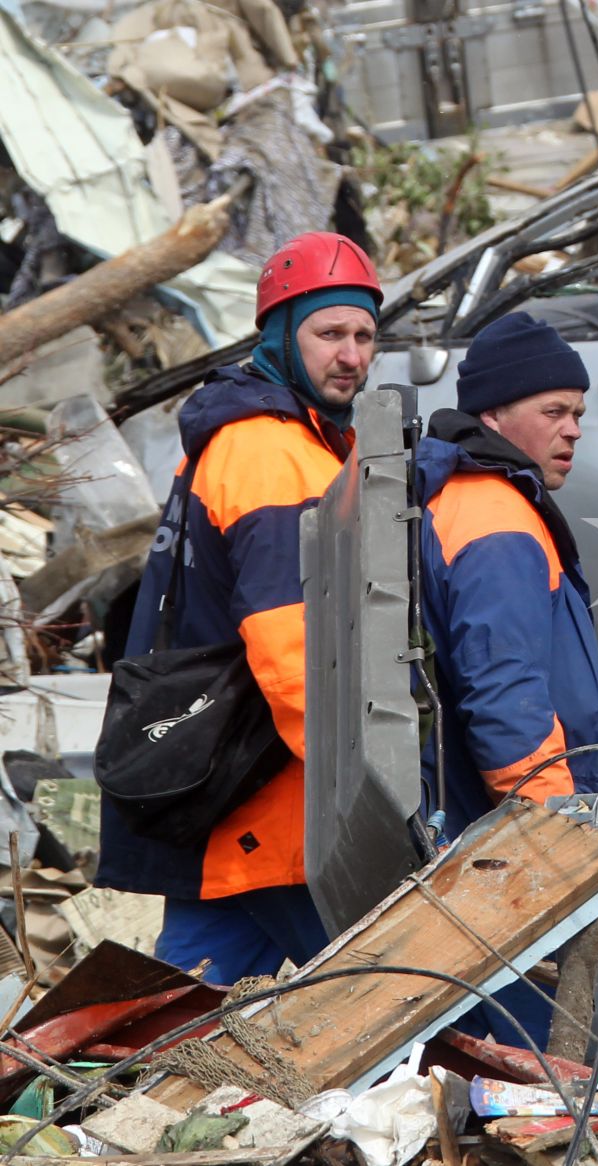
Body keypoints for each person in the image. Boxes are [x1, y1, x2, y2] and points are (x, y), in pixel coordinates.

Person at [98, 231, 382, 981]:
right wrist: (354, 782)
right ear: (283, 336)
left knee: (178, 1003)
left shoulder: (290, 439)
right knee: (396, 986)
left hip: (232, 789)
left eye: (364, 334)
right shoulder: (269, 449)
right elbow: (290, 640)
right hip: (268, 791)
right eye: (329, 334)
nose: (350, 354)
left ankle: (89, 1091)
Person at [414, 311, 598, 842]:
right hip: (506, 828)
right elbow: (506, 692)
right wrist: (555, 830)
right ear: (493, 415)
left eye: (577, 412)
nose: (572, 428)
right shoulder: (496, 518)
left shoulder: (465, 496)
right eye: (553, 411)